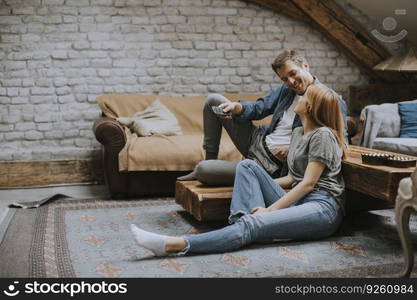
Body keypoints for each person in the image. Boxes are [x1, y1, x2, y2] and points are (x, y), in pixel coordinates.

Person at [130, 83, 346, 256]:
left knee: (255, 221)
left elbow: (308, 183)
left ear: (309, 107)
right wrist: (257, 186)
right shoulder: (298, 133)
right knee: (248, 166)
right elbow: (291, 179)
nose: (299, 97)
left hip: (322, 207)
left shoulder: (323, 135)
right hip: (299, 199)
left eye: (304, 96)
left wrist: (269, 211)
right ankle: (245, 227)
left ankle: (175, 244)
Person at [177, 49, 347, 186]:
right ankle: (210, 159)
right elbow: (260, 107)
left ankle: (208, 167)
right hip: (256, 140)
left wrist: (295, 150)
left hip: (270, 165)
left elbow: (338, 142)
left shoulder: (329, 99)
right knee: (213, 100)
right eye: (285, 79)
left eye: (293, 74)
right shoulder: (286, 90)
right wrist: (238, 107)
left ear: (306, 66)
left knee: (204, 171)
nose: (291, 82)